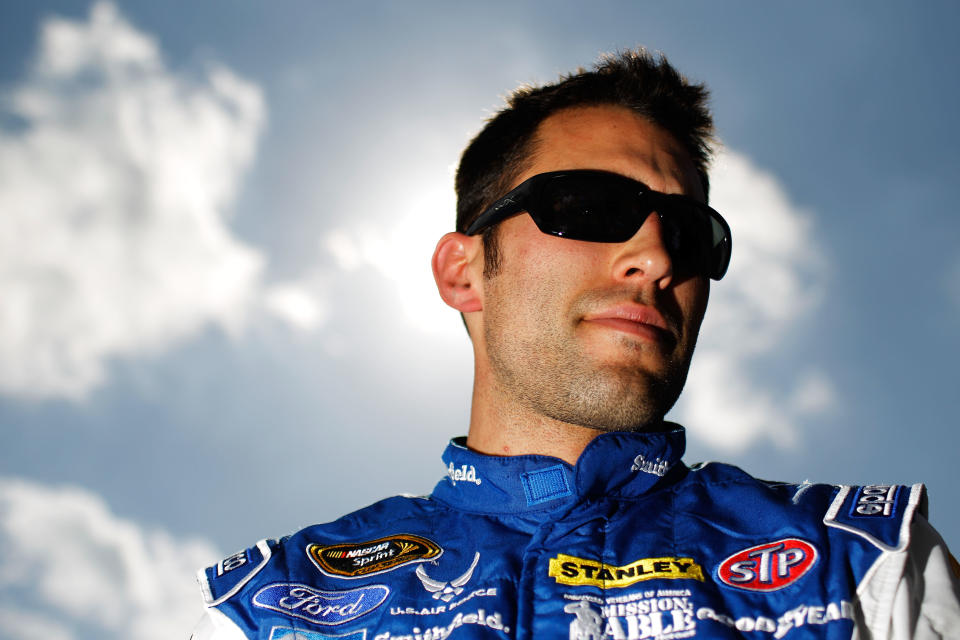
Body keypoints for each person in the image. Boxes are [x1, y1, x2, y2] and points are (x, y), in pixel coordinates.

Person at [191, 49, 960, 640]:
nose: (655, 258)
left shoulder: (865, 562)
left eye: (688, 233)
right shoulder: (270, 607)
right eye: (591, 207)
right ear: (465, 272)